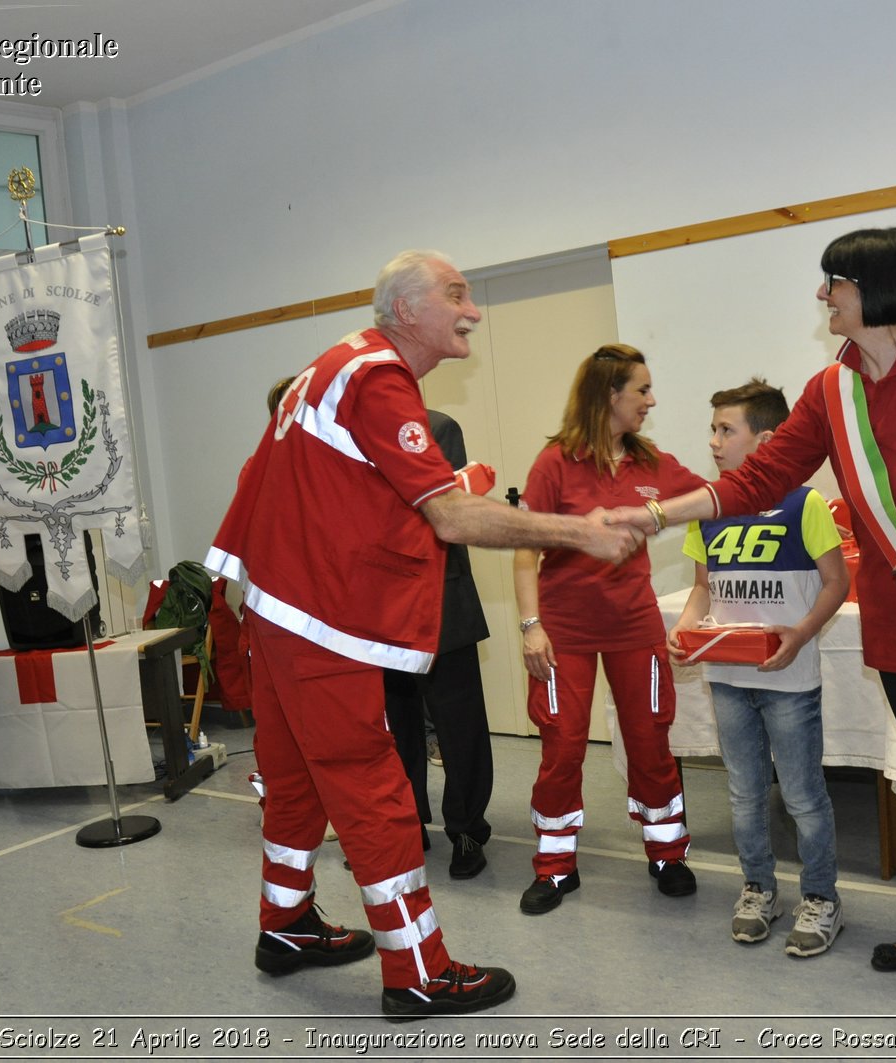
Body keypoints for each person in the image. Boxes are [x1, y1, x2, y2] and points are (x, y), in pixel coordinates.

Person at [609, 228, 896, 1011]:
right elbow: (761, 477)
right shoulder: (829, 391)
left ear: (878, 290)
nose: (823, 295)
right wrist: (657, 516)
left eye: (834, 282)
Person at [205, 249, 641, 1021]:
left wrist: (452, 485)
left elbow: (345, 486)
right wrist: (578, 532)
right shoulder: (378, 377)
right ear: (407, 311)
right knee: (373, 786)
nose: (472, 310)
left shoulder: (336, 366)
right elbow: (448, 517)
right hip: (317, 616)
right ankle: (416, 970)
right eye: (457, 294)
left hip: (276, 603)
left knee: (296, 775)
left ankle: (286, 922)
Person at [513, 343, 708, 914]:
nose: (652, 400)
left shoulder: (652, 464)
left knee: (650, 742)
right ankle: (554, 867)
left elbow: (714, 497)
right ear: (609, 395)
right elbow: (525, 552)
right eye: (642, 390)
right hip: (563, 631)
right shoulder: (555, 463)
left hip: (633, 627)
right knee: (563, 746)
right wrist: (531, 627)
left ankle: (667, 854)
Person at [667, 378, 850, 956]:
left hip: (788, 681)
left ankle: (821, 898)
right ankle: (758, 889)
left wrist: (800, 634)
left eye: (728, 430)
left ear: (766, 441)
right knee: (745, 794)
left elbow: (837, 582)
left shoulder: (805, 503)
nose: (715, 442)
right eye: (713, 430)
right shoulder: (709, 508)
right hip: (727, 679)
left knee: (802, 796)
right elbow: (703, 589)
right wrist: (686, 628)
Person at [383, 409, 496, 880]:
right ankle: (408, 825)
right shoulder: (352, 436)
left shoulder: (437, 428)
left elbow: (443, 514)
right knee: (397, 729)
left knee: (459, 726)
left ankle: (467, 828)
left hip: (440, 603)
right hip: (382, 609)